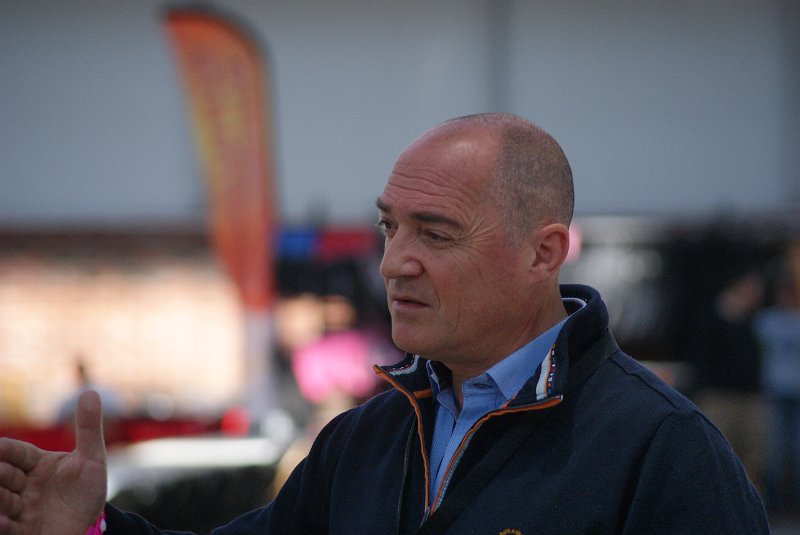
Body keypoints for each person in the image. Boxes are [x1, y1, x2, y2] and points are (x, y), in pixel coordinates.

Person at [0, 113, 769, 534]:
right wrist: (91, 530)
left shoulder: (660, 448)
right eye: (389, 227)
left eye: (435, 234)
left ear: (543, 253)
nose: (395, 262)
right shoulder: (365, 440)